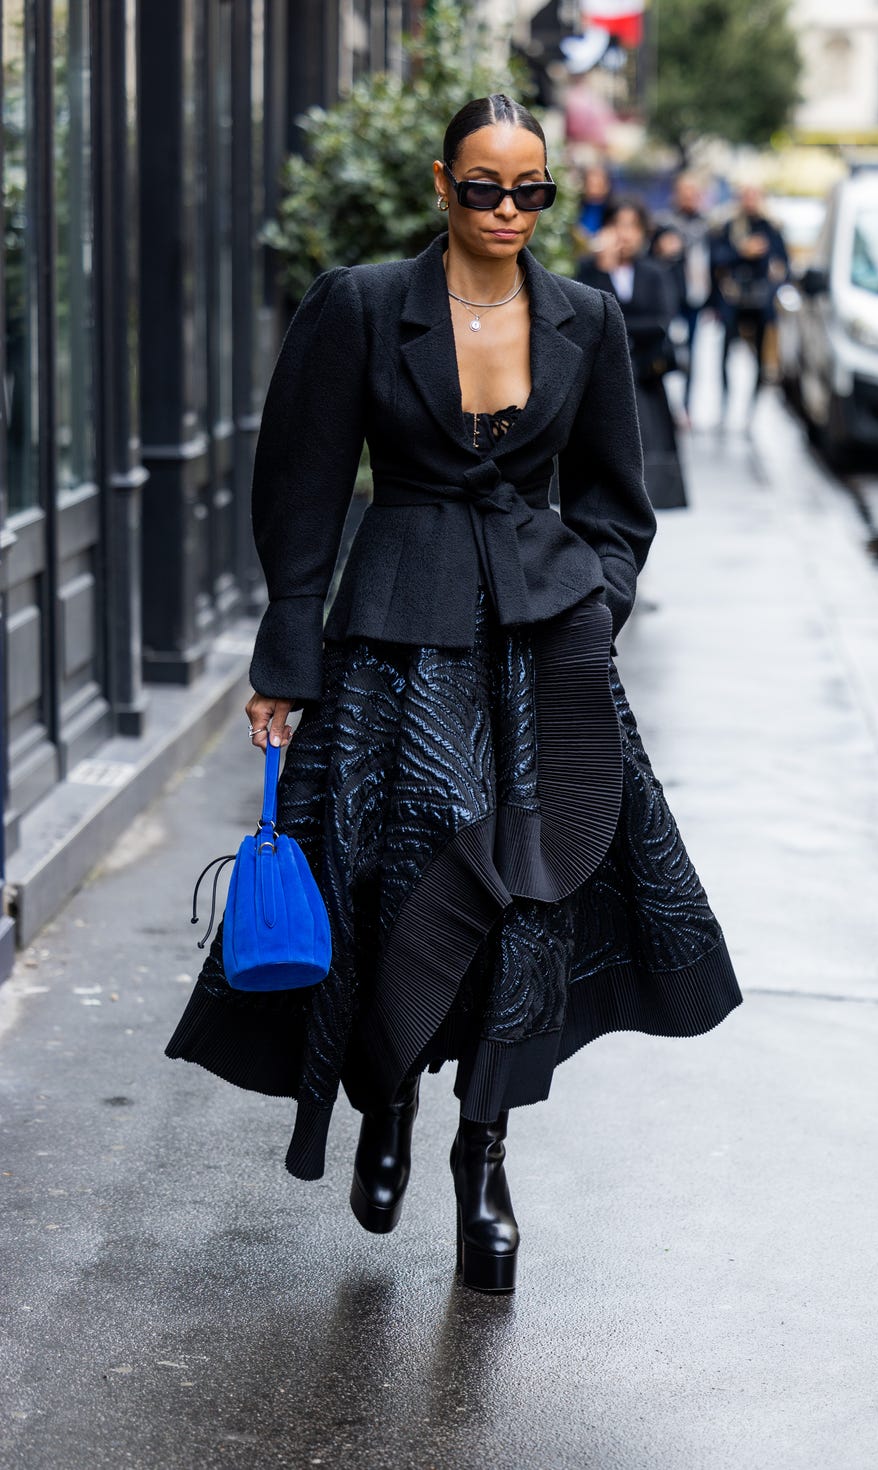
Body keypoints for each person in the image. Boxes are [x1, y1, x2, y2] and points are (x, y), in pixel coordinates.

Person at [165, 95, 742, 1295]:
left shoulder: (584, 315)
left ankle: (484, 1153)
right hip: (391, 635)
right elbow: (304, 486)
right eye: (483, 188)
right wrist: (285, 662)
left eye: (529, 191)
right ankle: (387, 1104)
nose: (506, 212)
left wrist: (591, 607)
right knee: (387, 880)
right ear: (442, 184)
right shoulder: (365, 306)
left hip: (539, 653)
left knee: (530, 900)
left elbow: (616, 505)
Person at [578, 198, 687, 509]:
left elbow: (660, 322)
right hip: (602, 378)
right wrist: (603, 271)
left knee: (650, 446)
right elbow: (587, 318)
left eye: (632, 226)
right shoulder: (590, 270)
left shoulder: (653, 272)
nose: (624, 234)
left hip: (645, 373)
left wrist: (618, 325)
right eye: (617, 225)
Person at [710, 184, 788, 412]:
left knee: (760, 355)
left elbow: (783, 265)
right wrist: (742, 251)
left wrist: (773, 288)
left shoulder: (770, 227)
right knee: (726, 351)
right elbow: (717, 260)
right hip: (733, 299)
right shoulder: (729, 227)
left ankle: (753, 404)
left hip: (761, 300)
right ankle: (726, 399)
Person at [653, 174, 712, 416]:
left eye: (694, 193)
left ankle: (686, 406)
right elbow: (651, 257)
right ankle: (666, 405)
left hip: (695, 298)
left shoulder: (706, 226)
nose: (689, 198)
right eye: (685, 192)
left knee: (692, 354)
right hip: (669, 297)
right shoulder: (665, 223)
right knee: (667, 350)